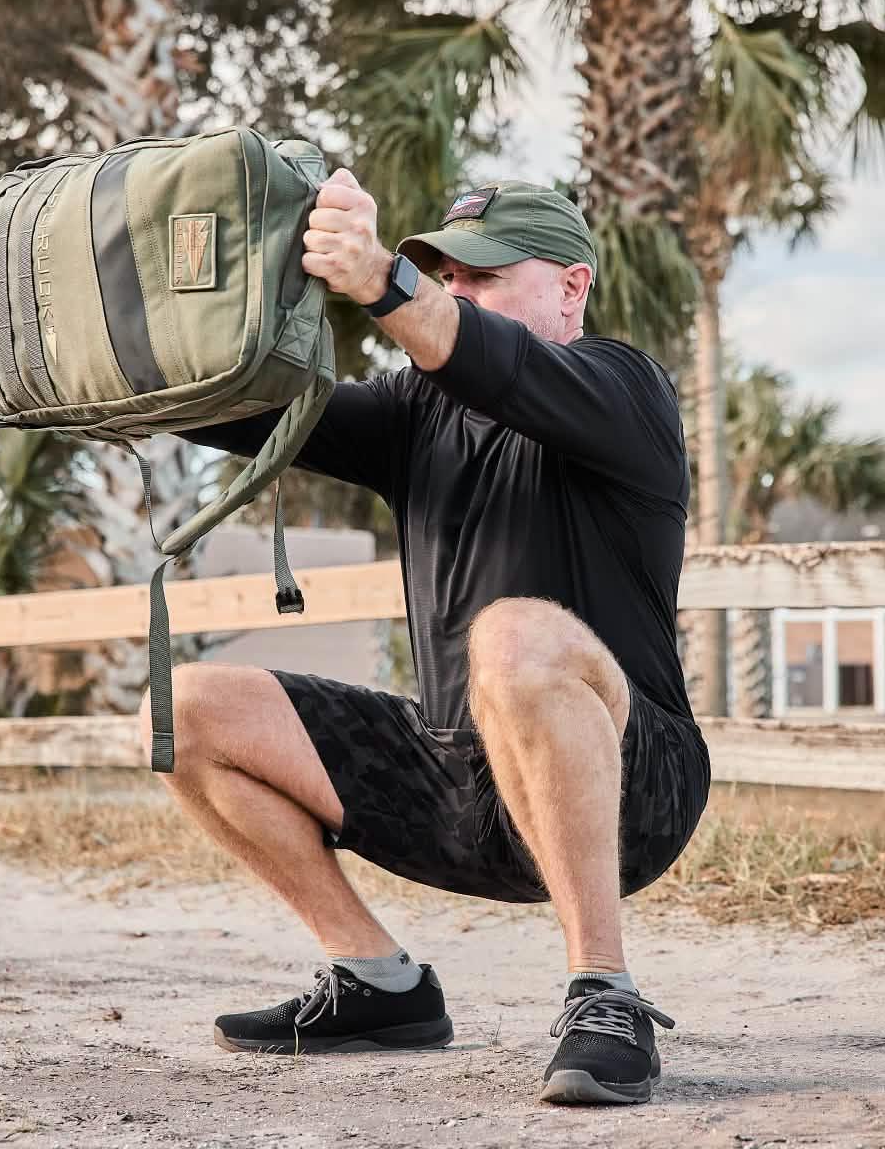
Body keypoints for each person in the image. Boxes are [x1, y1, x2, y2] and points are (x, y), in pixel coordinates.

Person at [140, 169, 710, 1106]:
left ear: (573, 286)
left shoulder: (626, 389)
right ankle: (378, 984)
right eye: (444, 274)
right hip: (455, 783)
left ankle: (603, 993)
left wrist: (376, 280)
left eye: (483, 276)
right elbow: (250, 408)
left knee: (514, 635)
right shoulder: (418, 413)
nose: (457, 291)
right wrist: (139, 340)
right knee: (188, 706)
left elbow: (500, 365)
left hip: (633, 782)